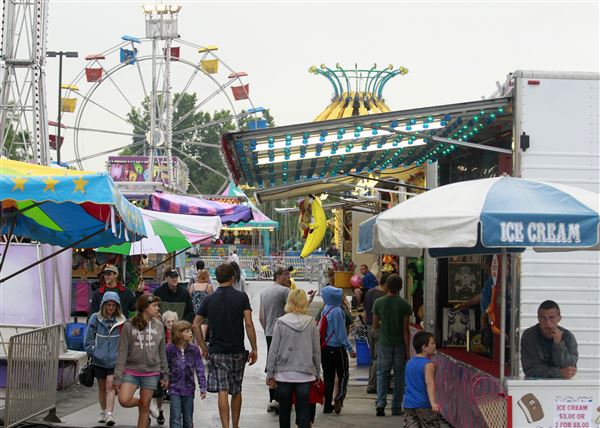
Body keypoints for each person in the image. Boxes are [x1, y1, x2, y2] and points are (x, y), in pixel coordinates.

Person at [192, 263, 258, 428]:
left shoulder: (209, 299)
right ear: (233, 277)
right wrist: (254, 348)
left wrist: (203, 346)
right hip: (236, 350)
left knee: (222, 390)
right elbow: (249, 324)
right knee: (236, 390)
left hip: (217, 350)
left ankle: (225, 426)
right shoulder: (242, 297)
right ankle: (235, 425)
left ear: (217, 278)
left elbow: (195, 325)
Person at [266, 289, 322, 428]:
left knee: (284, 409)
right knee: (303, 409)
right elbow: (316, 351)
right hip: (305, 374)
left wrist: (270, 373)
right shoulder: (311, 323)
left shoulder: (281, 322)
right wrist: (317, 372)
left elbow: (274, 350)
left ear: (289, 302)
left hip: (284, 373)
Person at [113, 294, 169, 428]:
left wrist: (165, 374)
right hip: (131, 370)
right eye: (154, 306)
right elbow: (122, 352)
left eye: (158, 306)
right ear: (145, 308)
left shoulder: (159, 326)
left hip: (152, 372)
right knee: (124, 400)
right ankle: (144, 404)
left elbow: (162, 352)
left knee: (144, 410)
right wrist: (117, 376)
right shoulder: (129, 325)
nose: (157, 309)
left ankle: (145, 406)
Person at [84, 291, 126, 426]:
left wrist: (122, 357)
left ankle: (109, 414)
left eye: (113, 305)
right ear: (103, 305)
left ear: (117, 306)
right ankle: (103, 411)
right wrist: (93, 352)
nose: (111, 308)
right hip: (99, 359)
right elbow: (89, 338)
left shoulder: (121, 320)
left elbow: (125, 340)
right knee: (102, 387)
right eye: (108, 305)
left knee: (110, 386)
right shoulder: (95, 318)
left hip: (114, 359)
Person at [372, 274, 412, 417]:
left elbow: (375, 325)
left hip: (384, 343)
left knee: (382, 374)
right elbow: (406, 329)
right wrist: (408, 350)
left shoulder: (379, 302)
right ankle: (396, 407)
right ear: (400, 287)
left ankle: (381, 404)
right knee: (399, 376)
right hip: (400, 344)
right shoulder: (405, 305)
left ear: (387, 286)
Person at [259, 265, 291, 413]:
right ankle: (280, 400)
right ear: (278, 276)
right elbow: (295, 311)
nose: (288, 277)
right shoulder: (285, 291)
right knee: (284, 366)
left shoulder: (264, 291)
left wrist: (267, 329)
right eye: (285, 275)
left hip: (270, 333)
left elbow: (261, 317)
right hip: (284, 333)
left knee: (271, 365)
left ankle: (272, 400)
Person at [320, 285, 356, 415]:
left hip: (325, 348)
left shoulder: (325, 309)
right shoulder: (337, 311)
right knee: (343, 374)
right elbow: (341, 335)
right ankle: (339, 397)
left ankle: (327, 405)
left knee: (328, 377)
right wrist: (350, 349)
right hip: (337, 349)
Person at [403, 331, 450, 428]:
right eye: (432, 343)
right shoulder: (428, 364)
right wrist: (433, 403)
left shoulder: (409, 363)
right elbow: (430, 383)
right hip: (424, 405)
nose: (434, 346)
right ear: (424, 347)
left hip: (409, 405)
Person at [521, 300, 578, 379]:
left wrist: (559, 344)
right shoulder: (529, 335)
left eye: (552, 318)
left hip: (562, 385)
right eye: (543, 318)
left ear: (559, 318)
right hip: (535, 384)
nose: (547, 322)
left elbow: (570, 369)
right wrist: (559, 372)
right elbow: (530, 369)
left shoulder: (568, 337)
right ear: (538, 318)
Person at [166, 321, 207, 428]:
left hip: (189, 389)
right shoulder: (170, 349)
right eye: (187, 331)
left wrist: (203, 386)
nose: (190, 333)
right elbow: (165, 366)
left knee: (188, 420)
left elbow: (199, 368)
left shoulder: (193, 350)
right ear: (178, 334)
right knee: (175, 419)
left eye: (190, 331)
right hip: (174, 388)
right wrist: (164, 380)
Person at [364, 272, 389, 394]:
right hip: (377, 327)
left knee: (373, 357)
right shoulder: (382, 296)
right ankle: (373, 385)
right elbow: (380, 316)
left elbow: (365, 311)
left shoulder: (369, 292)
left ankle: (371, 381)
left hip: (368, 326)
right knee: (378, 357)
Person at [188, 270, 213, 340]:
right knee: (202, 334)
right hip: (204, 314)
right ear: (206, 277)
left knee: (195, 335)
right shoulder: (209, 286)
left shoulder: (192, 286)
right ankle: (201, 350)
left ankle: (196, 350)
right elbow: (211, 301)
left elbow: (189, 299)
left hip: (194, 313)